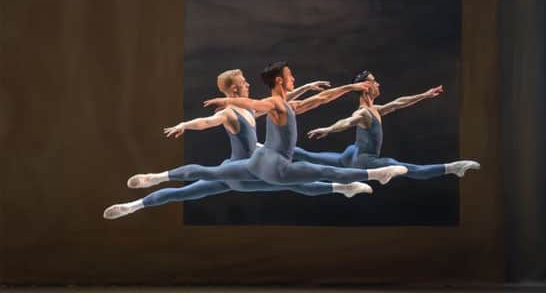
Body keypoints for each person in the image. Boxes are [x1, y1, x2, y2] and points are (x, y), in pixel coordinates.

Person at [104, 69, 371, 220]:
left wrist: (306, 87)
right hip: (240, 171)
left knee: (295, 182)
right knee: (294, 181)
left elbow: (280, 104)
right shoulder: (231, 112)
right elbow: (207, 121)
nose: (247, 85)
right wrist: (185, 125)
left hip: (249, 170)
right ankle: (150, 186)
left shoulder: (249, 111)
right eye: (243, 83)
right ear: (234, 91)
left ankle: (134, 204)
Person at [125, 62, 407, 190]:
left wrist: (348, 87)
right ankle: (377, 173)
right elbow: (254, 106)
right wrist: (220, 105)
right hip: (275, 166)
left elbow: (320, 99)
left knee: (208, 173)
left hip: (258, 161)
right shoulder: (270, 103)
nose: (294, 78)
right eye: (292, 76)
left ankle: (156, 177)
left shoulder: (285, 105)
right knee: (322, 171)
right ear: (281, 81)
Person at [295, 70, 480, 179]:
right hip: (364, 161)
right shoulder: (364, 112)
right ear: (365, 87)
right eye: (374, 82)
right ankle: (453, 168)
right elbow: (348, 121)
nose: (379, 84)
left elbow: (399, 103)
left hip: (350, 155)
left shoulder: (375, 109)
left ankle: (267, 149)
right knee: (405, 168)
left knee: (309, 155)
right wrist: (328, 129)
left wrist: (424, 95)